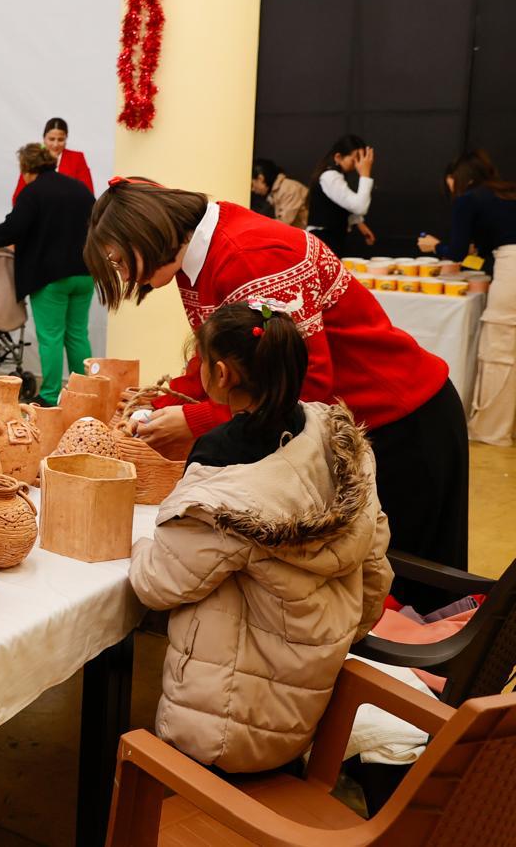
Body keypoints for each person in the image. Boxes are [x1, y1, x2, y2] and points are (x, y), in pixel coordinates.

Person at [84, 179, 464, 607]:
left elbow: (301, 385)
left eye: (119, 261)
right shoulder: (198, 259)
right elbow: (222, 355)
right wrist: (167, 401)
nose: (123, 275)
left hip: (403, 421)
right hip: (365, 423)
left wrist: (194, 420)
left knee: (412, 603)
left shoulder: (249, 257)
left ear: (147, 234)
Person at [128, 303, 391, 773]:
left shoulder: (224, 471)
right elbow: (375, 572)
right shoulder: (332, 441)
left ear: (222, 374)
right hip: (307, 703)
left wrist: (136, 543)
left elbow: (158, 584)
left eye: (202, 363)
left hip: (225, 728)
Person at [0, 143, 96, 405]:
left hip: (51, 278)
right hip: (85, 273)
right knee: (77, 334)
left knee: (51, 337)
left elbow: (12, 229)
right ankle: (85, 393)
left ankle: (50, 395)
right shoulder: (80, 190)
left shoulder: (33, 193)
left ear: (27, 169)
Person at [420, 151, 516, 445]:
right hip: (505, 262)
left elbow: (456, 255)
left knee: (499, 351)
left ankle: (492, 431)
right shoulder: (505, 195)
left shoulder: (469, 199)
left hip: (511, 269)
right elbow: (479, 254)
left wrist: (436, 247)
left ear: (458, 178)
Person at [306, 134, 376, 256]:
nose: (358, 164)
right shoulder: (330, 176)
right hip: (324, 239)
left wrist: (359, 223)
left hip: (330, 237)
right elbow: (360, 207)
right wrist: (365, 174)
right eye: (355, 159)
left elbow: (343, 203)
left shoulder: (334, 175)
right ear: (338, 157)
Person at [12, 117, 93, 203]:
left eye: (60, 140)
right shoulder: (33, 158)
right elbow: (18, 197)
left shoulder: (77, 158)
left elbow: (88, 193)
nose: (55, 144)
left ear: (66, 139)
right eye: (51, 139)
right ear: (44, 138)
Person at [250, 158, 308, 228]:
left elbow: (284, 222)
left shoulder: (288, 188)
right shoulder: (276, 191)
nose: (252, 189)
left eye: (252, 184)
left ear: (260, 178)